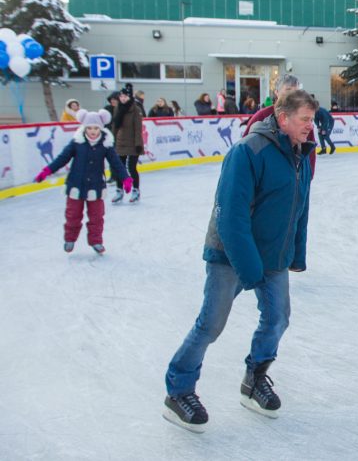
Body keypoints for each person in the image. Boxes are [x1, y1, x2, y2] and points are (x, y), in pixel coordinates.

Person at [163, 89, 316, 432]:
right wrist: (249, 269)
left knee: (278, 319)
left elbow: (300, 210)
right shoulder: (248, 151)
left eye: (312, 119)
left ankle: (255, 377)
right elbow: (230, 217)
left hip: (273, 254)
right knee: (211, 324)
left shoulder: (300, 154)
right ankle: (179, 390)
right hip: (230, 254)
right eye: (305, 119)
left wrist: (297, 253)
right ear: (283, 118)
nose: (311, 126)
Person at [33, 109, 132, 254]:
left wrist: (126, 178)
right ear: (84, 128)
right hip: (76, 184)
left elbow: (116, 163)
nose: (92, 131)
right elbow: (62, 158)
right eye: (89, 128)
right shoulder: (76, 142)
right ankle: (70, 239)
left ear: (101, 128)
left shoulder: (106, 145)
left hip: (96, 186)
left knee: (97, 217)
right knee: (72, 215)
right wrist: (47, 170)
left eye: (96, 128)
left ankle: (96, 241)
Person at [245, 74, 317, 175]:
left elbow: (309, 152)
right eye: (288, 91)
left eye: (296, 92)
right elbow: (245, 150)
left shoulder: (304, 120)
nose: (292, 96)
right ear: (277, 92)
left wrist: (307, 178)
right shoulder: (261, 116)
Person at [112, 83, 144, 204]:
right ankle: (119, 190)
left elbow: (138, 128)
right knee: (119, 168)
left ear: (130, 97)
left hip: (133, 142)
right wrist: (112, 139)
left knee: (131, 168)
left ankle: (136, 190)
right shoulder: (118, 108)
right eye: (121, 96)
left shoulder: (135, 109)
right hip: (120, 142)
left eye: (125, 96)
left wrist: (138, 144)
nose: (123, 98)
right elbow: (115, 125)